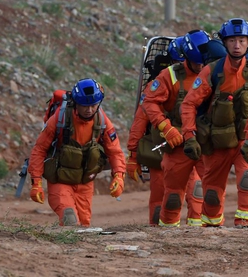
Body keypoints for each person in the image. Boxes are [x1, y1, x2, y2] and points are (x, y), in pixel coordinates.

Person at [180, 19, 248, 228]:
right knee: (211, 192)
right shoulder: (212, 71)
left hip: (246, 141)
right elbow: (189, 104)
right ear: (224, 43)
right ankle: (212, 227)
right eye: (232, 41)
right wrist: (189, 136)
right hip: (216, 142)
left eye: (241, 40)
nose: (237, 45)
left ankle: (245, 225)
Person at [28, 78, 126, 226]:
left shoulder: (102, 121)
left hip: (84, 183)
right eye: (84, 106)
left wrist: (119, 176)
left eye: (93, 105)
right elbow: (39, 149)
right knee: (70, 218)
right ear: (75, 103)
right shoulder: (59, 119)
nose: (89, 110)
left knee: (84, 224)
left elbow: (115, 152)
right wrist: (36, 182)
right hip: (60, 180)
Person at [139, 32, 208, 227]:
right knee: (170, 197)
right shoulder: (169, 76)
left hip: (202, 143)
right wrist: (166, 128)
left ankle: (202, 232)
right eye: (196, 64)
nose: (200, 68)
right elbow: (146, 108)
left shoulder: (216, 72)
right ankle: (164, 234)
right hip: (175, 144)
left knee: (204, 192)